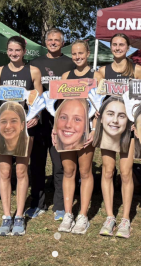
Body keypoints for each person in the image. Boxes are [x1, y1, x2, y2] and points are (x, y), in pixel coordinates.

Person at [0, 36, 43, 236]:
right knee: (4, 172)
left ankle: (19, 216)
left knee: (21, 172)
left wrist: (35, 116)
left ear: (24, 50)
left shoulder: (33, 71)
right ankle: (6, 216)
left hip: (26, 128)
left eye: (17, 50)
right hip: (4, 128)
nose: (13, 53)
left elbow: (39, 100)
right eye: (10, 50)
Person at [98, 33, 141, 238]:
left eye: (121, 45)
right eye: (114, 45)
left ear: (128, 47)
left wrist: (139, 124)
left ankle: (125, 219)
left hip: (128, 127)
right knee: (108, 171)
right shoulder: (102, 71)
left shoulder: (137, 69)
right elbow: (96, 100)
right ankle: (110, 217)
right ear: (111, 48)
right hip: (108, 126)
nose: (118, 48)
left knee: (126, 173)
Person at [27, 28, 75, 221]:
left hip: (62, 123)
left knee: (59, 165)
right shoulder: (35, 64)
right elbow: (29, 92)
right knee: (36, 164)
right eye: (50, 39)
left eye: (57, 40)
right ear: (45, 41)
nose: (53, 42)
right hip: (39, 121)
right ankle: (37, 204)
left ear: (63, 43)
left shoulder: (70, 63)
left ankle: (60, 206)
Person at [55, 40, 102, 234]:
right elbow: (59, 106)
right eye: (74, 54)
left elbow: (101, 106)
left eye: (81, 53)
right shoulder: (67, 76)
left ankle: (82, 215)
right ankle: (68, 214)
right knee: (68, 171)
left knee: (85, 171)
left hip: (86, 130)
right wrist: (54, 128)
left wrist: (94, 129)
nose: (77, 57)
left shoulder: (96, 76)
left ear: (88, 54)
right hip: (66, 129)